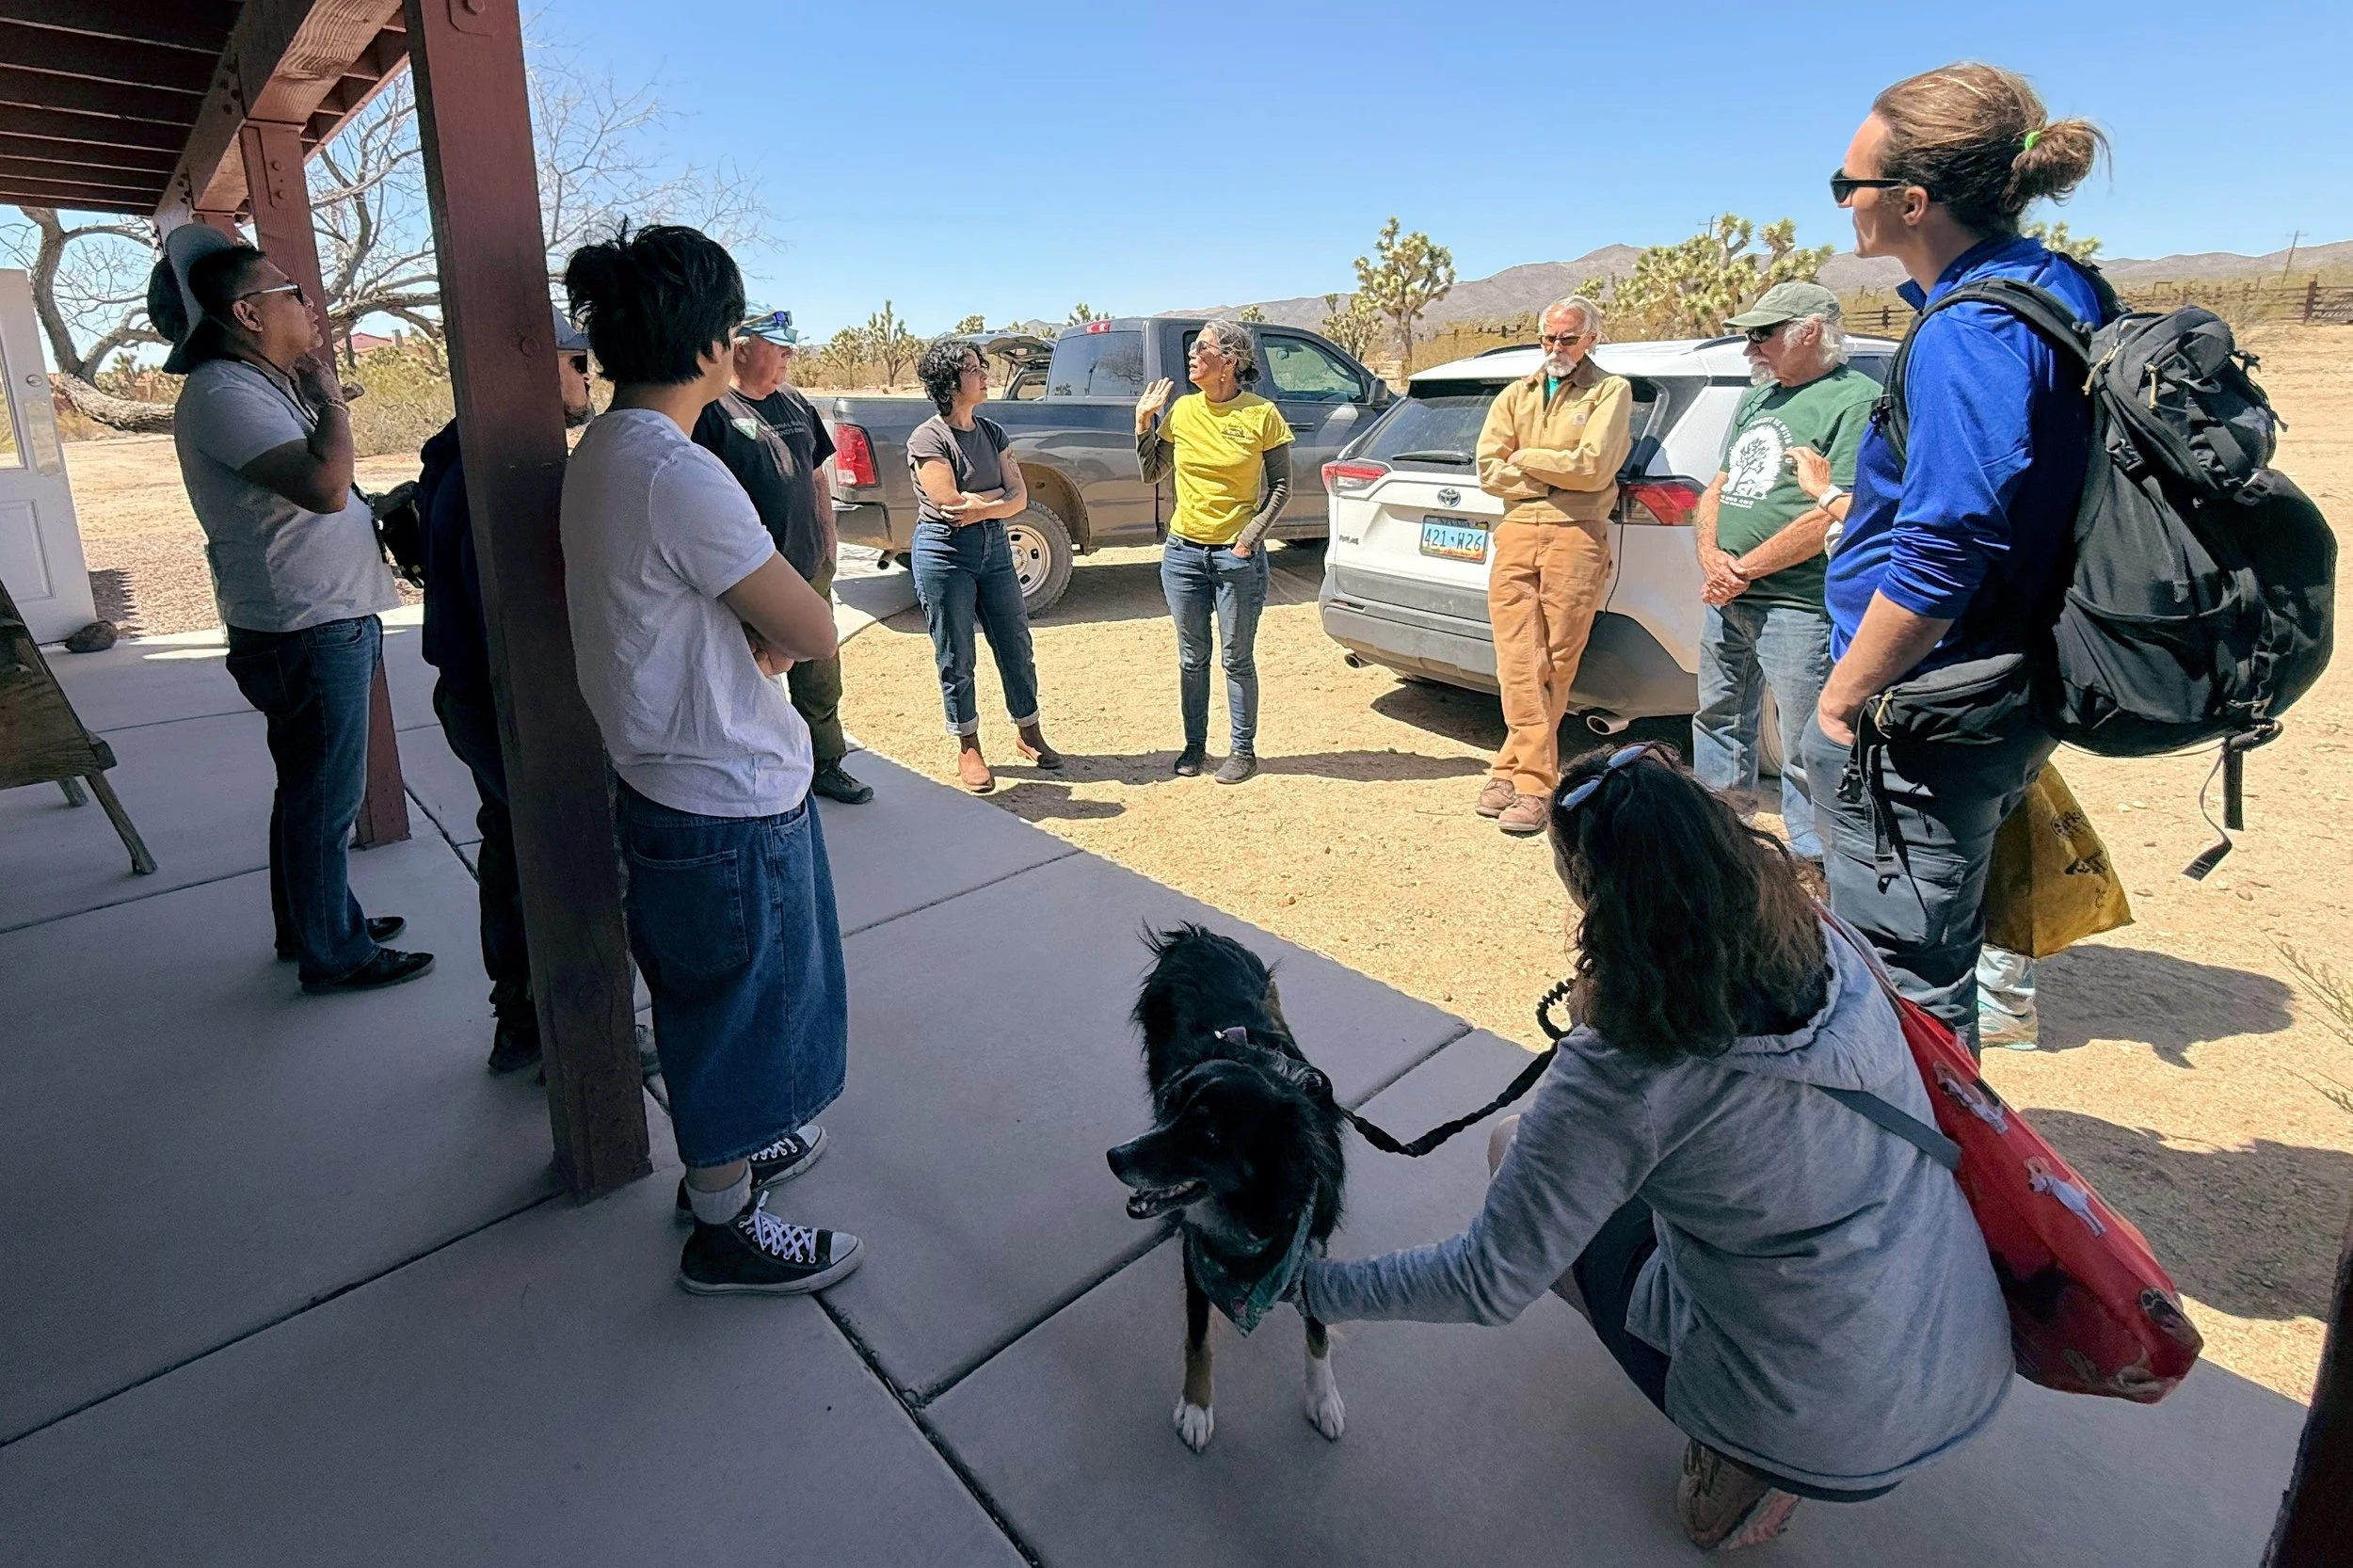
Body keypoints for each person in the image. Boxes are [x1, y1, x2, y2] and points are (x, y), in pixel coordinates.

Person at [1298, 744, 2011, 1551]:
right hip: (1966, 1351)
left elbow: (1486, 1282)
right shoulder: (1825, 938)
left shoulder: (1621, 1076)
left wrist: (1308, 1287)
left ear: (1595, 898)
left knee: (1512, 1146)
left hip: (1823, 1423)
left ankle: (1740, 1460)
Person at [560, 223, 861, 1295]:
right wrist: (777, 627)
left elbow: (677, 612)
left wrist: (756, 628)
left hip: (666, 775)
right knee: (739, 1007)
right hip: (723, 791)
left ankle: (736, 1143)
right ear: (708, 345)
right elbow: (811, 624)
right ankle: (723, 1219)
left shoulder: (604, 453)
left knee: (724, 1000)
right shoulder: (675, 472)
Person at [1805, 62, 2111, 1050]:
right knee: (1922, 953)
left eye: (1843, 184)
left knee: (1904, 983)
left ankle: (1922, 1186)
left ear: (1910, 200)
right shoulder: (2055, 286)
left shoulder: (1969, 327)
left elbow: (1945, 553)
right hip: (2007, 671)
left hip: (1932, 700)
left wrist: (1843, 697)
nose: (1841, 202)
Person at [156, 227, 432, 994]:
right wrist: (331, 398)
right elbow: (320, 487)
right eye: (292, 292)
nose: (308, 303)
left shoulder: (254, 384)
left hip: (318, 619)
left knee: (309, 787)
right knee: (325, 795)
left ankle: (312, 923)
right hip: (303, 627)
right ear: (248, 313)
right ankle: (333, 953)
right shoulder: (222, 392)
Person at [411, 307, 596, 1073]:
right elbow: (525, 618)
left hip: (473, 695)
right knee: (561, 863)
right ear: (533, 364)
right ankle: (576, 1037)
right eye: (575, 361)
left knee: (515, 851)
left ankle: (522, 1020)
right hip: (512, 702)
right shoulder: (508, 469)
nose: (587, 377)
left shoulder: (461, 452)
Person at [1689, 281, 1878, 864]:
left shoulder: (1855, 401)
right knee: (1719, 718)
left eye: (1764, 334)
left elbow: (1838, 504)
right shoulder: (1759, 399)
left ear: (1810, 331)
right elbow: (1719, 485)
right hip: (1728, 594)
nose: (1751, 347)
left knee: (1804, 742)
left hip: (1796, 605)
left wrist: (1742, 568)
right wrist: (1711, 557)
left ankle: (1812, 865)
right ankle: (1723, 842)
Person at [691, 305, 872, 807]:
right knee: (753, 675)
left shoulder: (795, 402)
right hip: (750, 576)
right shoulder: (713, 412)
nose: (791, 352)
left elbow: (816, 475)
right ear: (743, 349)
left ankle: (827, 765)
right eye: (779, 344)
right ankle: (768, 776)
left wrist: (828, 544)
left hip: (808, 565)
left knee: (819, 670)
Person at [1472, 298, 1633, 836]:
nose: (1555, 349)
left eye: (1567, 339)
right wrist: (1544, 476)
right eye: (1548, 338)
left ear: (1590, 339)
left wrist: (1526, 458)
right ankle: (1536, 782)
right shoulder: (1516, 393)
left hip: (1575, 536)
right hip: (1517, 531)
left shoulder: (1611, 390)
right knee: (1518, 660)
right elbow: (1488, 469)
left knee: (1556, 662)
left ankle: (1510, 771)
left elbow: (1592, 468)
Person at [1133, 320, 1291, 784]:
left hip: (1235, 558)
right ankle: (1195, 747)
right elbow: (1151, 473)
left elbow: (1280, 487)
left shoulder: (1262, 415)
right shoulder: (1182, 411)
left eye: (1202, 347)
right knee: (1191, 656)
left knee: (1236, 658)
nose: (1192, 354)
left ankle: (1243, 752)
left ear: (1230, 362)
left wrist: (1249, 538)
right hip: (1183, 554)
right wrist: (1144, 422)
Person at [906, 337, 1063, 793]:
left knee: (1015, 641)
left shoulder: (992, 432)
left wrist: (988, 504)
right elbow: (951, 504)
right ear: (950, 381)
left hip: (995, 550)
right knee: (956, 652)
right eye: (974, 368)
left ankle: (1028, 729)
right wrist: (999, 501)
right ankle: (968, 745)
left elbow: (1021, 498)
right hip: (946, 552)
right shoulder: (928, 437)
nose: (984, 374)